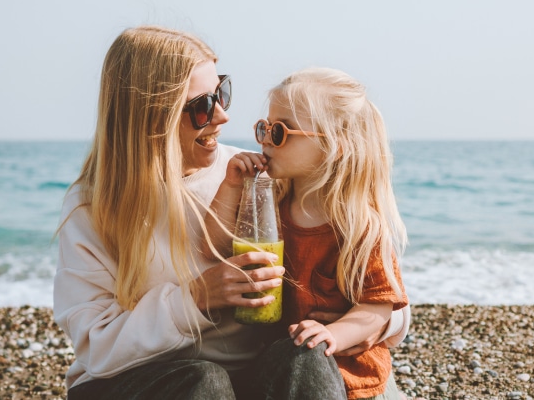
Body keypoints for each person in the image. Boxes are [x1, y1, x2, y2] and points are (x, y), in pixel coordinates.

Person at [53, 26, 408, 400]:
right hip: (136, 382)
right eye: (202, 106)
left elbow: (380, 292)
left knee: (304, 360)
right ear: (151, 117)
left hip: (248, 377)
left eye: (222, 92)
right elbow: (97, 350)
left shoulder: (250, 175)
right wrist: (195, 298)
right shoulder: (94, 206)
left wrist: (365, 322)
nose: (222, 116)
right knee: (204, 381)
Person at [204, 67, 410, 399]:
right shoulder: (270, 203)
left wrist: (334, 335)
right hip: (281, 368)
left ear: (335, 145)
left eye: (281, 132)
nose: (266, 140)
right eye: (264, 128)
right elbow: (212, 248)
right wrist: (230, 187)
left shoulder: (359, 226)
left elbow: (377, 308)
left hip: (350, 376)